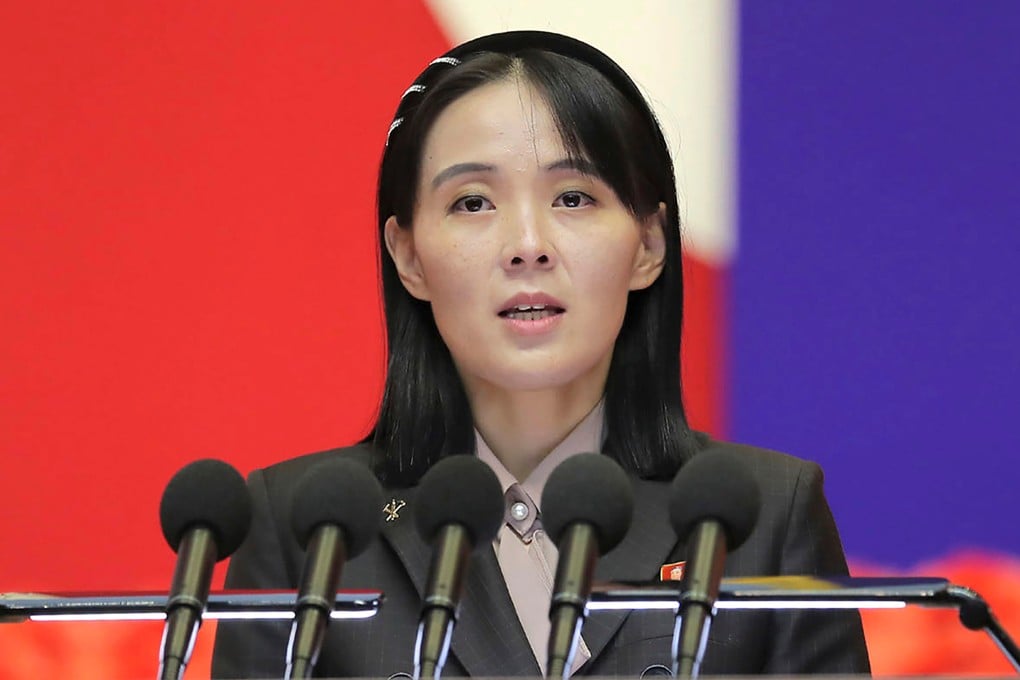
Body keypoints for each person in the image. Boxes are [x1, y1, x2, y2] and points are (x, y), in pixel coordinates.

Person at [212, 31, 871, 677]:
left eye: (573, 198)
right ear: (408, 255)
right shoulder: (307, 530)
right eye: (473, 202)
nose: (527, 244)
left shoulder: (765, 517)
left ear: (648, 244)